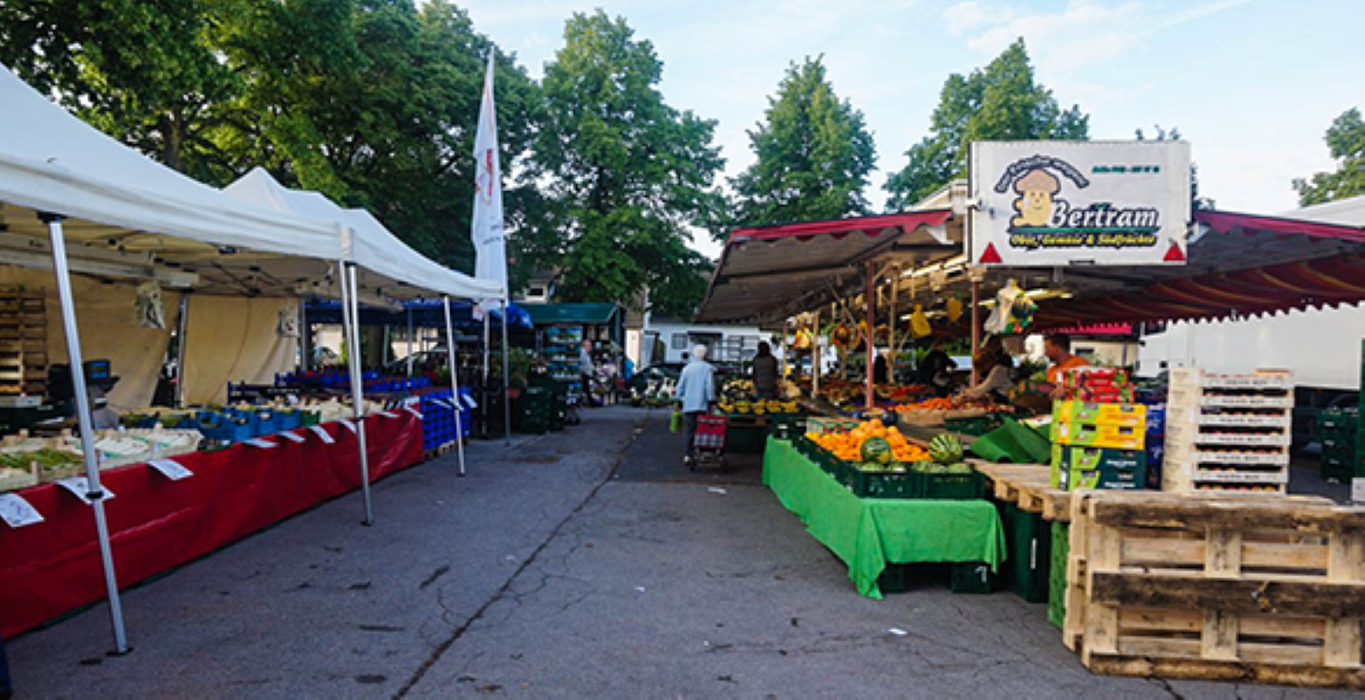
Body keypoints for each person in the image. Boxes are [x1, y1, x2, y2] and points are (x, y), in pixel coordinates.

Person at [674, 344, 717, 465]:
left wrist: (678, 400)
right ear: (706, 355)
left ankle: (688, 454)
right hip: (703, 405)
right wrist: (712, 401)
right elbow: (709, 387)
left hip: (688, 404)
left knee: (689, 430)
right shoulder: (708, 369)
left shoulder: (687, 369)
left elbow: (680, 387)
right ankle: (701, 454)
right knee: (703, 430)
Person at [961, 338, 1014, 403]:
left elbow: (981, 390)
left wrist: (965, 393)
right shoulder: (997, 369)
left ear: (988, 362)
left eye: (981, 366)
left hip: (1008, 401)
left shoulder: (998, 371)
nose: (981, 370)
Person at [579, 339, 595, 406]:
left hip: (586, 373)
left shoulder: (585, 353)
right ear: (585, 346)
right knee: (586, 389)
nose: (591, 347)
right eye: (589, 346)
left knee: (586, 389)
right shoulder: (583, 353)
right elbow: (583, 363)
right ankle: (591, 402)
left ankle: (590, 402)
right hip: (584, 373)